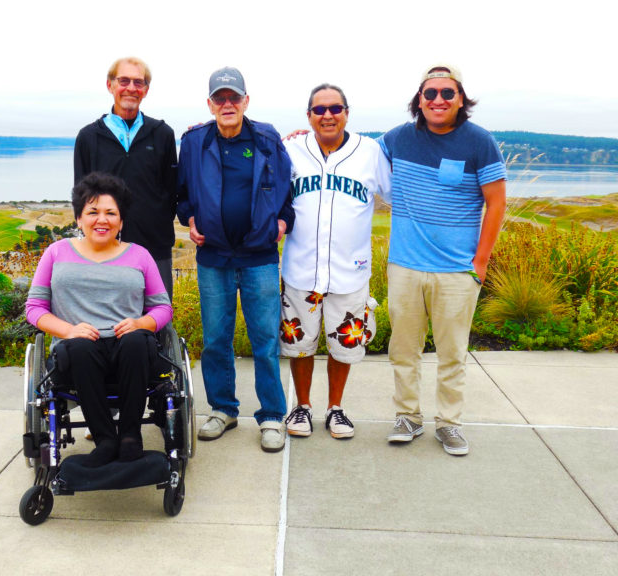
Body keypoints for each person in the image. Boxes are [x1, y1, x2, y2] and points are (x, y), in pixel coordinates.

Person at [378, 64, 507, 456]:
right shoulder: (399, 139)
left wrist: (480, 262)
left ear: (461, 100)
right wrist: (300, 138)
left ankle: (449, 424)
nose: (438, 100)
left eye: (447, 93)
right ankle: (408, 417)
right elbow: (354, 151)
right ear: (419, 100)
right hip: (405, 266)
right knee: (403, 349)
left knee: (452, 352)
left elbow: (497, 202)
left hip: (456, 271)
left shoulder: (479, 142)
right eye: (429, 93)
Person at [177, 66, 294, 453]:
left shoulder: (266, 136)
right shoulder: (193, 141)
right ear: (209, 104)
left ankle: (272, 416)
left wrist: (282, 221)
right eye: (220, 98)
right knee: (215, 340)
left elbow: (286, 188)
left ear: (246, 100)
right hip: (213, 256)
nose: (227, 104)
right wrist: (188, 218)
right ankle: (223, 409)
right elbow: (181, 195)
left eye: (234, 97)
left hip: (259, 256)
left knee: (264, 340)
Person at [25, 172, 172, 464]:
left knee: (135, 342)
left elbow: (162, 309)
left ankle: (130, 436)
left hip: (129, 348)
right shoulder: (57, 253)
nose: (101, 220)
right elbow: (35, 308)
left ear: (121, 221)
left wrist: (141, 323)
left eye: (110, 213)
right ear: (79, 219)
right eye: (92, 212)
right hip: (78, 350)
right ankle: (105, 439)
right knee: (80, 348)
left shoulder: (140, 255)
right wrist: (68, 330)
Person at [280, 84, 391, 440]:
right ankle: (302, 405)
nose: (327, 115)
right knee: (300, 343)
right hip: (301, 269)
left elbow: (393, 195)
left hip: (350, 270)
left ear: (347, 112)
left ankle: (336, 408)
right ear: (308, 115)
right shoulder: (291, 150)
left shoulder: (370, 151)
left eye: (335, 108)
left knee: (344, 344)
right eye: (319, 109)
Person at [74, 57, 177, 299]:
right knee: (104, 319)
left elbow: (172, 190)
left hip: (155, 247)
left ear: (146, 90)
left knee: (157, 319)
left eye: (138, 82)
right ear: (110, 85)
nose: (131, 88)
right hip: (102, 247)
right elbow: (80, 197)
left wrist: (157, 223)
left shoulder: (162, 134)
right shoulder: (89, 137)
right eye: (124, 81)